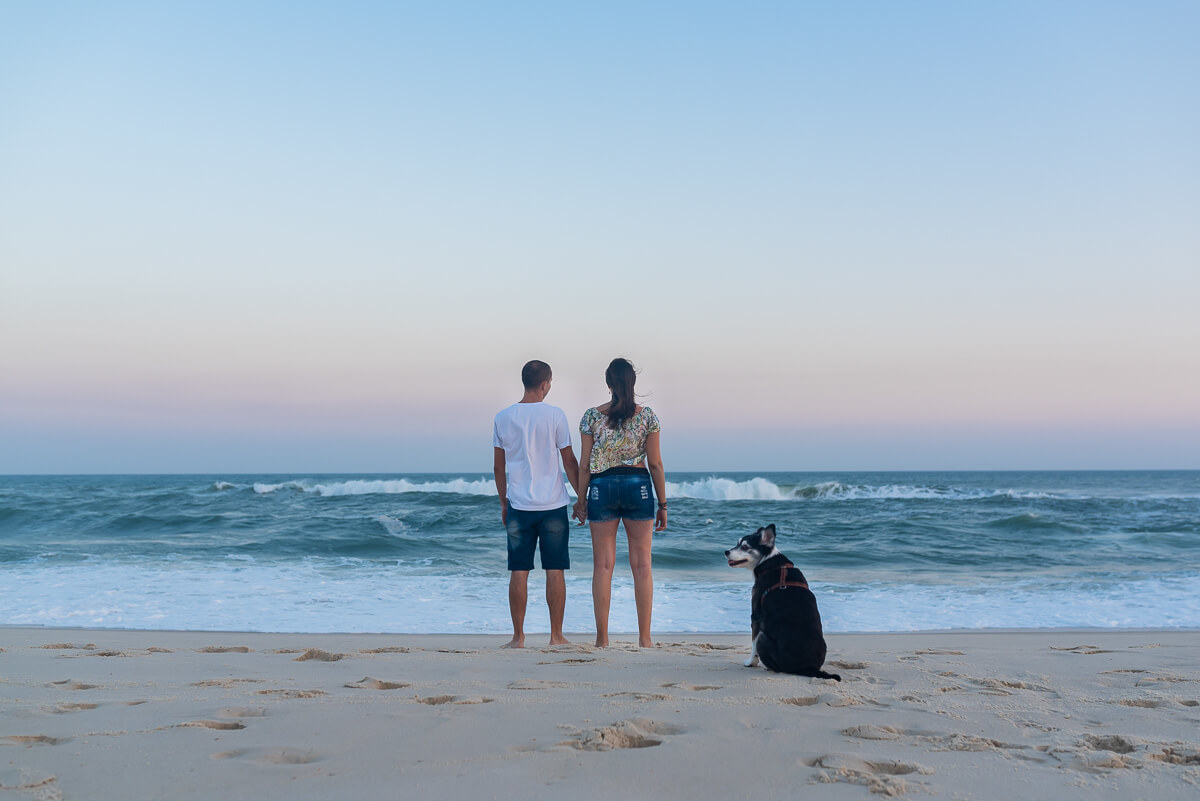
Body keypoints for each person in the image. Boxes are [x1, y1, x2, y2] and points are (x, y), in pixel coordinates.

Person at [572, 357, 667, 648]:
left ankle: (602, 639)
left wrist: (580, 500)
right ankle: (645, 639)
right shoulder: (647, 417)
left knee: (602, 566)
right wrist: (663, 504)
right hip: (637, 486)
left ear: (609, 384)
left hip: (601, 487)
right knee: (643, 566)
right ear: (632, 383)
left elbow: (584, 465)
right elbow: (656, 464)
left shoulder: (591, 417)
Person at [493, 360, 579, 649]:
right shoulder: (555, 415)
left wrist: (504, 502)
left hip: (519, 505)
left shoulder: (503, 417)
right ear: (545, 384)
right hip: (552, 504)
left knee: (519, 570)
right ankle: (556, 636)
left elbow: (498, 466)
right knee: (555, 569)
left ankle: (518, 638)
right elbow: (569, 460)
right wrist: (581, 497)